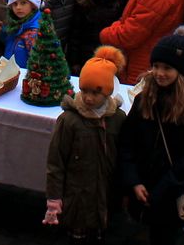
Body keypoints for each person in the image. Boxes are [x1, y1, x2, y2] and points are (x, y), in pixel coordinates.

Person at [117, 29, 184, 245]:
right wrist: (133, 180)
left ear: (179, 70)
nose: (159, 73)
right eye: (156, 66)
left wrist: (165, 188)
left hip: (172, 191)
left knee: (165, 235)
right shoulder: (143, 99)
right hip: (144, 184)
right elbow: (127, 142)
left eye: (167, 68)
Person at [43, 46, 128, 242]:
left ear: (107, 92)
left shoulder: (118, 119)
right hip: (77, 201)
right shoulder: (69, 120)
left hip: (105, 198)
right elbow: (55, 162)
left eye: (95, 93)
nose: (88, 98)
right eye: (84, 91)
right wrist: (54, 199)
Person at [0, 0, 51, 68]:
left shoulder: (37, 32)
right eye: (15, 4)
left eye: (23, 3)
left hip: (25, 76)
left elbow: (41, 63)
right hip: (8, 73)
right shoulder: (13, 24)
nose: (18, 7)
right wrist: (3, 31)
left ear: (33, 4)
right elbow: (7, 43)